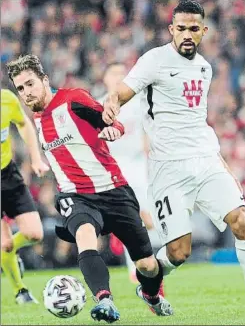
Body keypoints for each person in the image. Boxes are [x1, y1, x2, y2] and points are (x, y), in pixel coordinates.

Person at [102, 0, 245, 313]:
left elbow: (198, 122)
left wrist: (222, 164)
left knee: (241, 221)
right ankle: (149, 276)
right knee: (179, 253)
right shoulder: (154, 60)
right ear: (171, 29)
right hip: (168, 169)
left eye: (194, 28)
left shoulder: (205, 68)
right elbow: (122, 92)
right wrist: (112, 105)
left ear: (204, 31)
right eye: (180, 28)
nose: (187, 34)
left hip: (206, 160)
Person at [7, 54, 173, 323]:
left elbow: (111, 122)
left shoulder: (74, 99)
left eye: (30, 84)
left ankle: (151, 295)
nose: (26, 92)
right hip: (76, 195)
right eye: (21, 88)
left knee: (147, 265)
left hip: (114, 189)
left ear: (45, 80)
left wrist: (113, 130)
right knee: (85, 236)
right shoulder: (37, 118)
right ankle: (104, 300)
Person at [99, 62, 162, 284]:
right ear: (105, 79)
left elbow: (148, 133)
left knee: (150, 221)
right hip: (114, 170)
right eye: (113, 73)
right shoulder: (97, 105)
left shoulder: (138, 102)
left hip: (139, 167)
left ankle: (149, 263)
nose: (118, 77)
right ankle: (136, 270)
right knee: (132, 221)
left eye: (122, 74)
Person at [1, 88, 48, 304]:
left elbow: (23, 124)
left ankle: (8, 252)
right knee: (5, 244)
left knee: (34, 234)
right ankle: (21, 291)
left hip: (8, 174)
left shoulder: (6, 100)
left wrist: (35, 158)